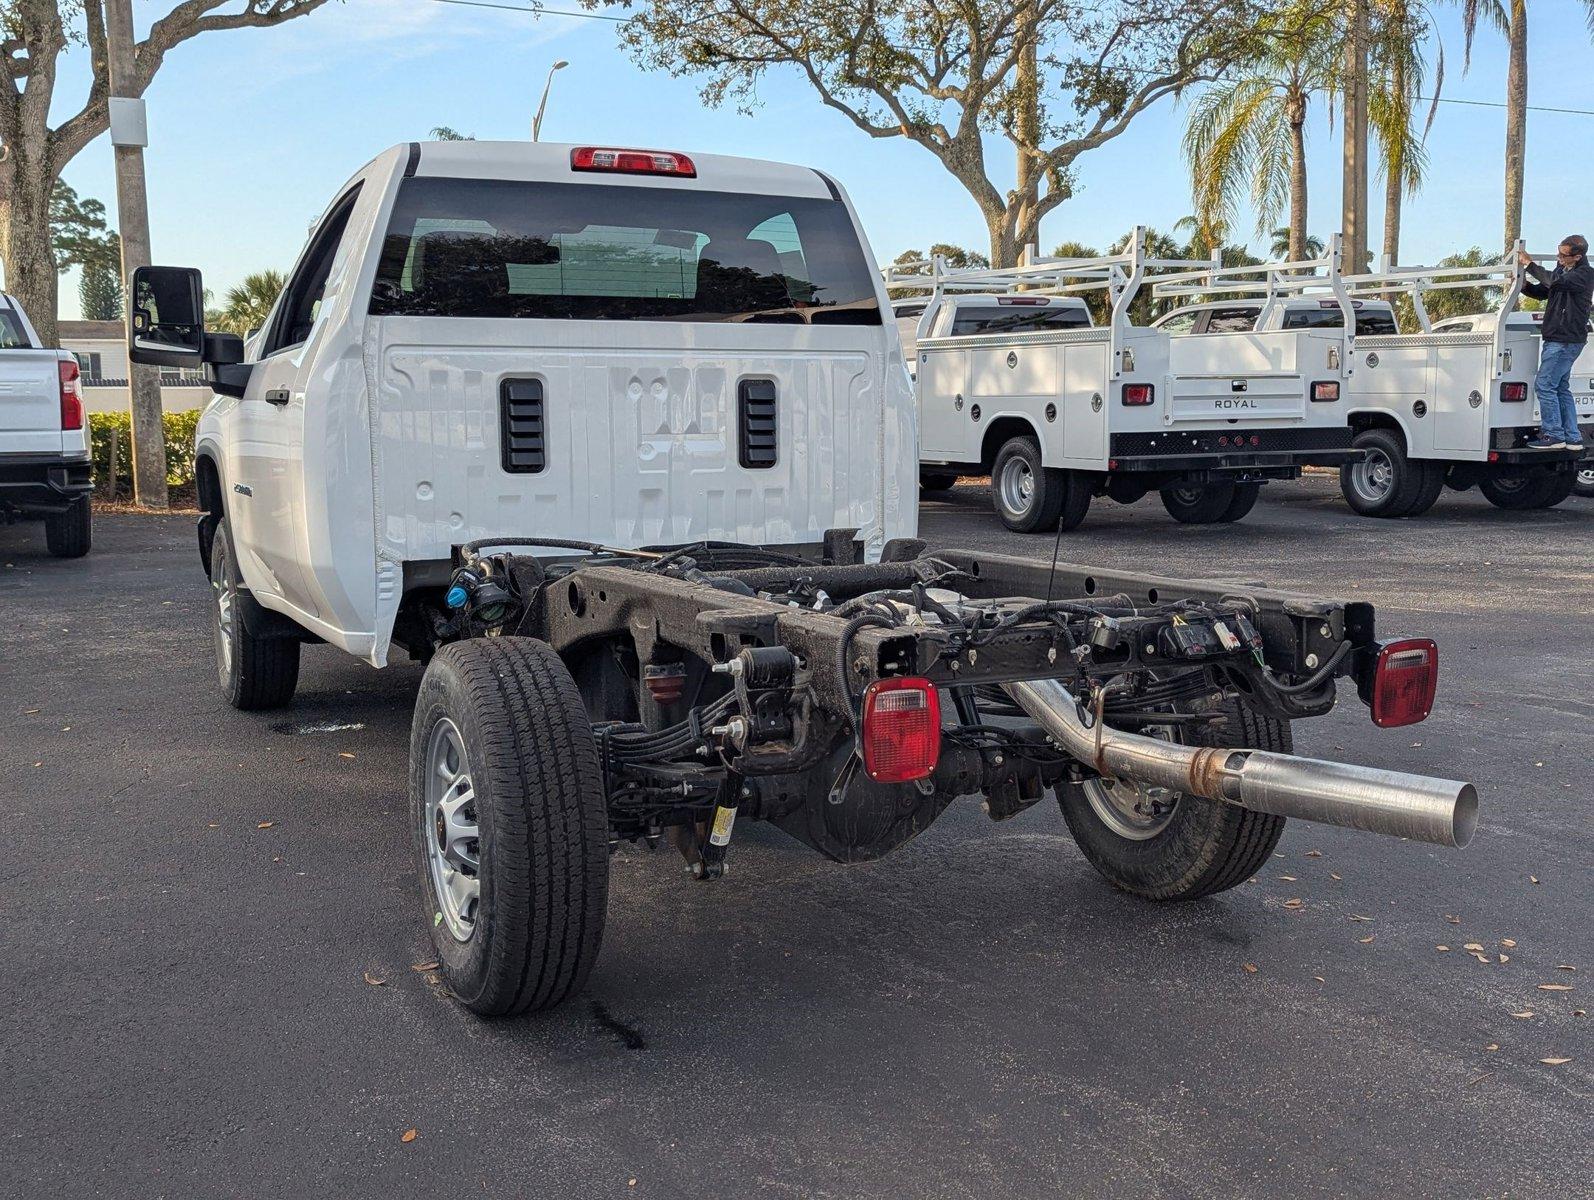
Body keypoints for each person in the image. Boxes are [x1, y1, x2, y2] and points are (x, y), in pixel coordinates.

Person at [1519, 236, 1593, 449]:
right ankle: (1572, 436)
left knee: (1545, 385)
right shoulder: (1563, 270)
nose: (1558, 258)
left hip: (1565, 340)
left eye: (1563, 255)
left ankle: (1553, 434)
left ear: (1578, 256)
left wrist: (1529, 264)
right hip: (1559, 339)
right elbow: (1545, 291)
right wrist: (1525, 286)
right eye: (1558, 253)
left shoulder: (1585, 274)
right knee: (1561, 387)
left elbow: (1554, 282)